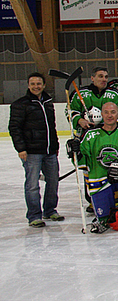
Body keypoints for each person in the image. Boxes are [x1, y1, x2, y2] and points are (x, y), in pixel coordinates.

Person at [71, 102, 118, 233]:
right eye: (106, 112)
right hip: (99, 179)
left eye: (113, 112)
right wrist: (75, 152)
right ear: (101, 114)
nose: (109, 115)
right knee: (106, 220)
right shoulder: (90, 135)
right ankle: (116, 208)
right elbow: (82, 163)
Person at [9, 72, 63, 227]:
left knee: (53, 181)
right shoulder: (21, 104)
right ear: (28, 85)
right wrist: (21, 148)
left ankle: (50, 210)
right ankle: (34, 215)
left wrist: (55, 145)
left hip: (49, 151)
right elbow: (14, 128)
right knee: (32, 184)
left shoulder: (48, 102)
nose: (36, 86)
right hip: (31, 152)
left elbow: (51, 127)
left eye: (39, 84)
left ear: (44, 85)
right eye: (32, 84)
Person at [70, 66, 118, 133]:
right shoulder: (80, 93)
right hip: (85, 133)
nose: (104, 79)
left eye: (106, 77)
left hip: (108, 133)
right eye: (101, 76)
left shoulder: (115, 94)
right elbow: (71, 110)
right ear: (92, 78)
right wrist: (79, 120)